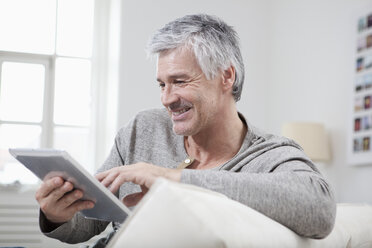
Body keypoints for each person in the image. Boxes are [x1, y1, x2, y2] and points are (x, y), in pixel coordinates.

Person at [35, 14, 336, 246]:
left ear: (226, 77)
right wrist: (56, 214)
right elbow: (89, 223)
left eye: (179, 81)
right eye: (162, 84)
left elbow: (319, 210)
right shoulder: (143, 129)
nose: (167, 99)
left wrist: (173, 179)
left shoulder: (268, 154)